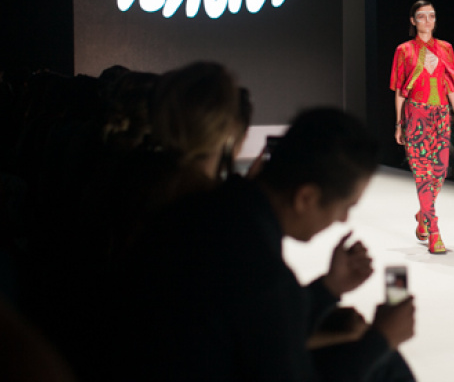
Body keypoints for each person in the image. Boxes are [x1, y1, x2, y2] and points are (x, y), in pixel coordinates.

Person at [97, 108, 416, 382]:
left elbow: (256, 327)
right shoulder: (262, 271)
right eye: (345, 206)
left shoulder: (207, 210)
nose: (344, 219)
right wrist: (381, 339)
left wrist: (328, 289)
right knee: (385, 365)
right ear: (306, 198)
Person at [391, 0, 454, 255]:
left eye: (431, 16)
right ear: (413, 21)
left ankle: (423, 213)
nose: (427, 20)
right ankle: (434, 231)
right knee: (423, 174)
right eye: (422, 16)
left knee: (441, 171)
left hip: (441, 115)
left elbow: (452, 85)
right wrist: (399, 123)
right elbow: (400, 90)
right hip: (416, 115)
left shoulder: (446, 48)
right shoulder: (404, 50)